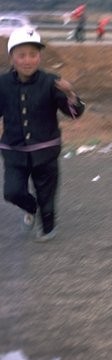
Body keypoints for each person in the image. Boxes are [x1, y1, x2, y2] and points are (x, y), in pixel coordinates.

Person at [0, 27, 86, 241]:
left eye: (33, 54)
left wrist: (70, 94)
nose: (28, 60)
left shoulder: (51, 82)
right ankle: (31, 207)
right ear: (12, 57)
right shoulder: (3, 84)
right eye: (21, 55)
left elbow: (74, 114)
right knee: (12, 192)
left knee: (46, 193)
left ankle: (47, 226)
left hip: (45, 150)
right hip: (14, 151)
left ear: (39, 56)